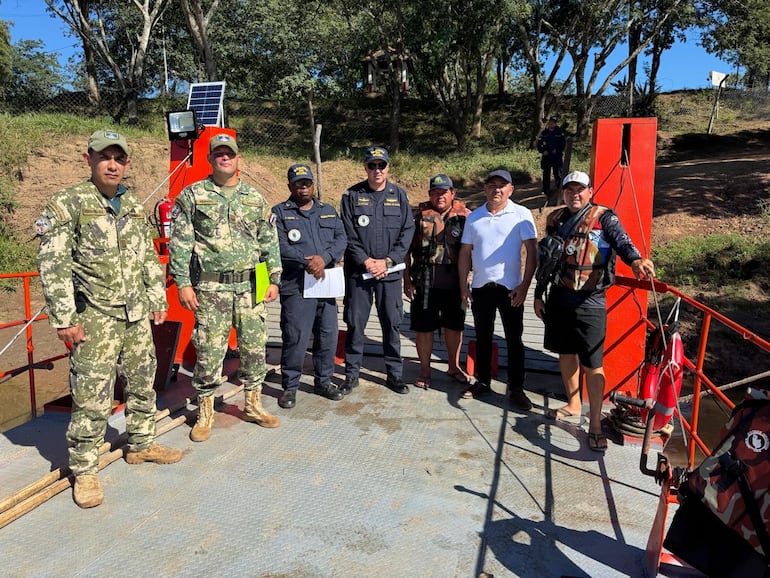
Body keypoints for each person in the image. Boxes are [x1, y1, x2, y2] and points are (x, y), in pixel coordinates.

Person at [35, 130, 183, 509]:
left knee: (141, 381)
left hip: (135, 315)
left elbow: (148, 257)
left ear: (127, 163)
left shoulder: (132, 205)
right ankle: (85, 469)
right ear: (89, 160)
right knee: (91, 395)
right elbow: (53, 265)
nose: (112, 164)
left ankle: (142, 443)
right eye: (104, 157)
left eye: (119, 157)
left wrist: (155, 297)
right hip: (95, 317)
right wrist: (65, 318)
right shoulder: (67, 203)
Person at [168, 133, 282, 442]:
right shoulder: (192, 196)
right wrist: (182, 284)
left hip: (250, 284)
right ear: (210, 159)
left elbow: (268, 241)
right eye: (218, 153)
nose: (224, 158)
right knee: (208, 350)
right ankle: (205, 411)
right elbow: (180, 244)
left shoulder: (254, 198)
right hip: (211, 288)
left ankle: (253, 405)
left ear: (237, 159)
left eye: (229, 153)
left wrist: (273, 278)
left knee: (255, 346)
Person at [533, 170, 655, 452]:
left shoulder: (605, 218)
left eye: (580, 190)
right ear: (563, 193)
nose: (574, 195)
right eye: (569, 190)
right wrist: (539, 295)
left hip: (591, 300)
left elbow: (622, 242)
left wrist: (636, 261)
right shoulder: (556, 220)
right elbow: (546, 261)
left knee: (593, 362)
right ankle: (574, 403)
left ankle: (596, 424)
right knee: (565, 352)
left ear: (590, 191)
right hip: (560, 296)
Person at [458, 169, 537, 410]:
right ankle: (482, 381)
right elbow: (464, 253)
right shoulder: (474, 217)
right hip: (481, 286)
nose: (497, 189)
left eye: (502, 185)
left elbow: (533, 253)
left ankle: (516, 388)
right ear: (485, 189)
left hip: (511, 288)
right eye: (492, 185)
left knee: (514, 339)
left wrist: (525, 286)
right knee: (482, 336)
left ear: (511, 190)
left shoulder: (521, 214)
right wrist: (464, 285)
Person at [339, 146, 415, 395]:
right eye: (372, 165)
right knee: (356, 323)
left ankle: (394, 374)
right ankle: (351, 374)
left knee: (392, 323)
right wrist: (367, 261)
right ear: (365, 168)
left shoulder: (399, 195)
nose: (377, 170)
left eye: (381, 165)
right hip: (360, 273)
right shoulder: (351, 195)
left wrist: (389, 261)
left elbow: (407, 231)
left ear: (388, 167)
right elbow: (347, 233)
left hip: (389, 274)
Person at [272, 164, 347, 409]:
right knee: (296, 336)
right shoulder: (279, 213)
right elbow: (278, 246)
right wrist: (308, 262)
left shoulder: (327, 211)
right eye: (298, 184)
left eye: (307, 183)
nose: (303, 188)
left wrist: (324, 259)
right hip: (296, 284)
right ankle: (290, 387)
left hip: (325, 283)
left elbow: (341, 238)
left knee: (327, 334)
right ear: (289, 186)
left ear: (313, 184)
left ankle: (323, 381)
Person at [404, 174, 471, 390]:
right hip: (424, 281)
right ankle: (425, 370)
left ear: (453, 193)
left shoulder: (467, 217)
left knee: (454, 327)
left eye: (444, 192)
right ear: (429, 194)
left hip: (455, 283)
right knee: (423, 329)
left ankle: (453, 366)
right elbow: (405, 251)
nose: (439, 196)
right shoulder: (417, 217)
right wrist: (407, 280)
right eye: (435, 192)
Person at [536, 116, 566, 198]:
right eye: (550, 122)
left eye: (553, 122)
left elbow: (563, 144)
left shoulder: (560, 132)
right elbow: (539, 144)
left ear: (556, 123)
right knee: (546, 173)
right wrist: (542, 150)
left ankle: (559, 189)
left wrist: (557, 150)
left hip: (556, 156)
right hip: (546, 157)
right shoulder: (544, 133)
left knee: (558, 173)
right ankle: (546, 189)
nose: (551, 123)